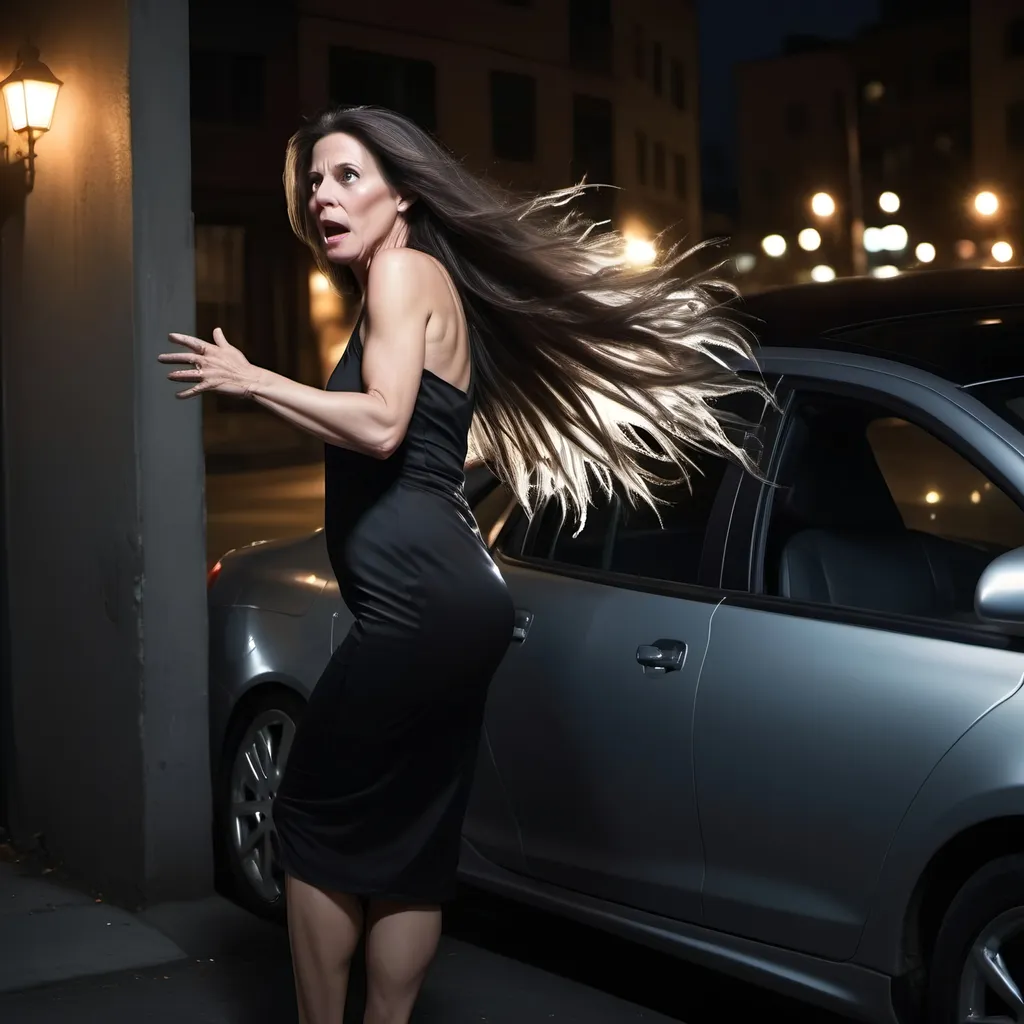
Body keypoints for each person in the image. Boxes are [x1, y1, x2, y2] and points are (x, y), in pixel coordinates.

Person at [158, 105, 765, 1024]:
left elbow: (385, 422)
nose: (324, 193)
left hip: (417, 604)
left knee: (312, 821)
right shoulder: (425, 285)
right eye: (314, 181)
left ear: (402, 193)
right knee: (411, 847)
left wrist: (253, 381)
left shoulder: (401, 273)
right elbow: (447, 439)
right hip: (456, 600)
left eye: (348, 176)